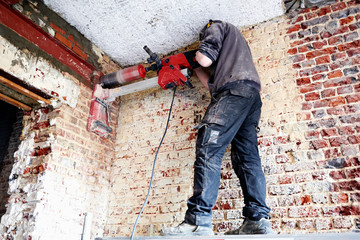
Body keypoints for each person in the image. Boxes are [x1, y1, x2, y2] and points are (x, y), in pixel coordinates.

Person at [160, 20, 273, 236]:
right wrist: (192, 67)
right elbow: (209, 84)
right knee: (246, 157)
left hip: (232, 93)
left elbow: (204, 58)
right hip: (250, 97)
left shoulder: (217, 26)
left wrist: (195, 56)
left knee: (208, 149)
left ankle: (198, 221)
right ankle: (257, 220)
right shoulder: (232, 58)